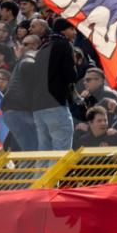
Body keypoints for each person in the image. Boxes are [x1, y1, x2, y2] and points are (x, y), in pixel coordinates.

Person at [30, 19, 78, 151]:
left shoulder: (44, 47)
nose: (75, 33)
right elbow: (71, 76)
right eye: (72, 29)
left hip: (38, 106)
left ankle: (42, 173)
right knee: (60, 148)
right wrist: (75, 65)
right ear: (63, 30)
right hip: (55, 104)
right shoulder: (64, 44)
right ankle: (56, 173)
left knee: (44, 149)